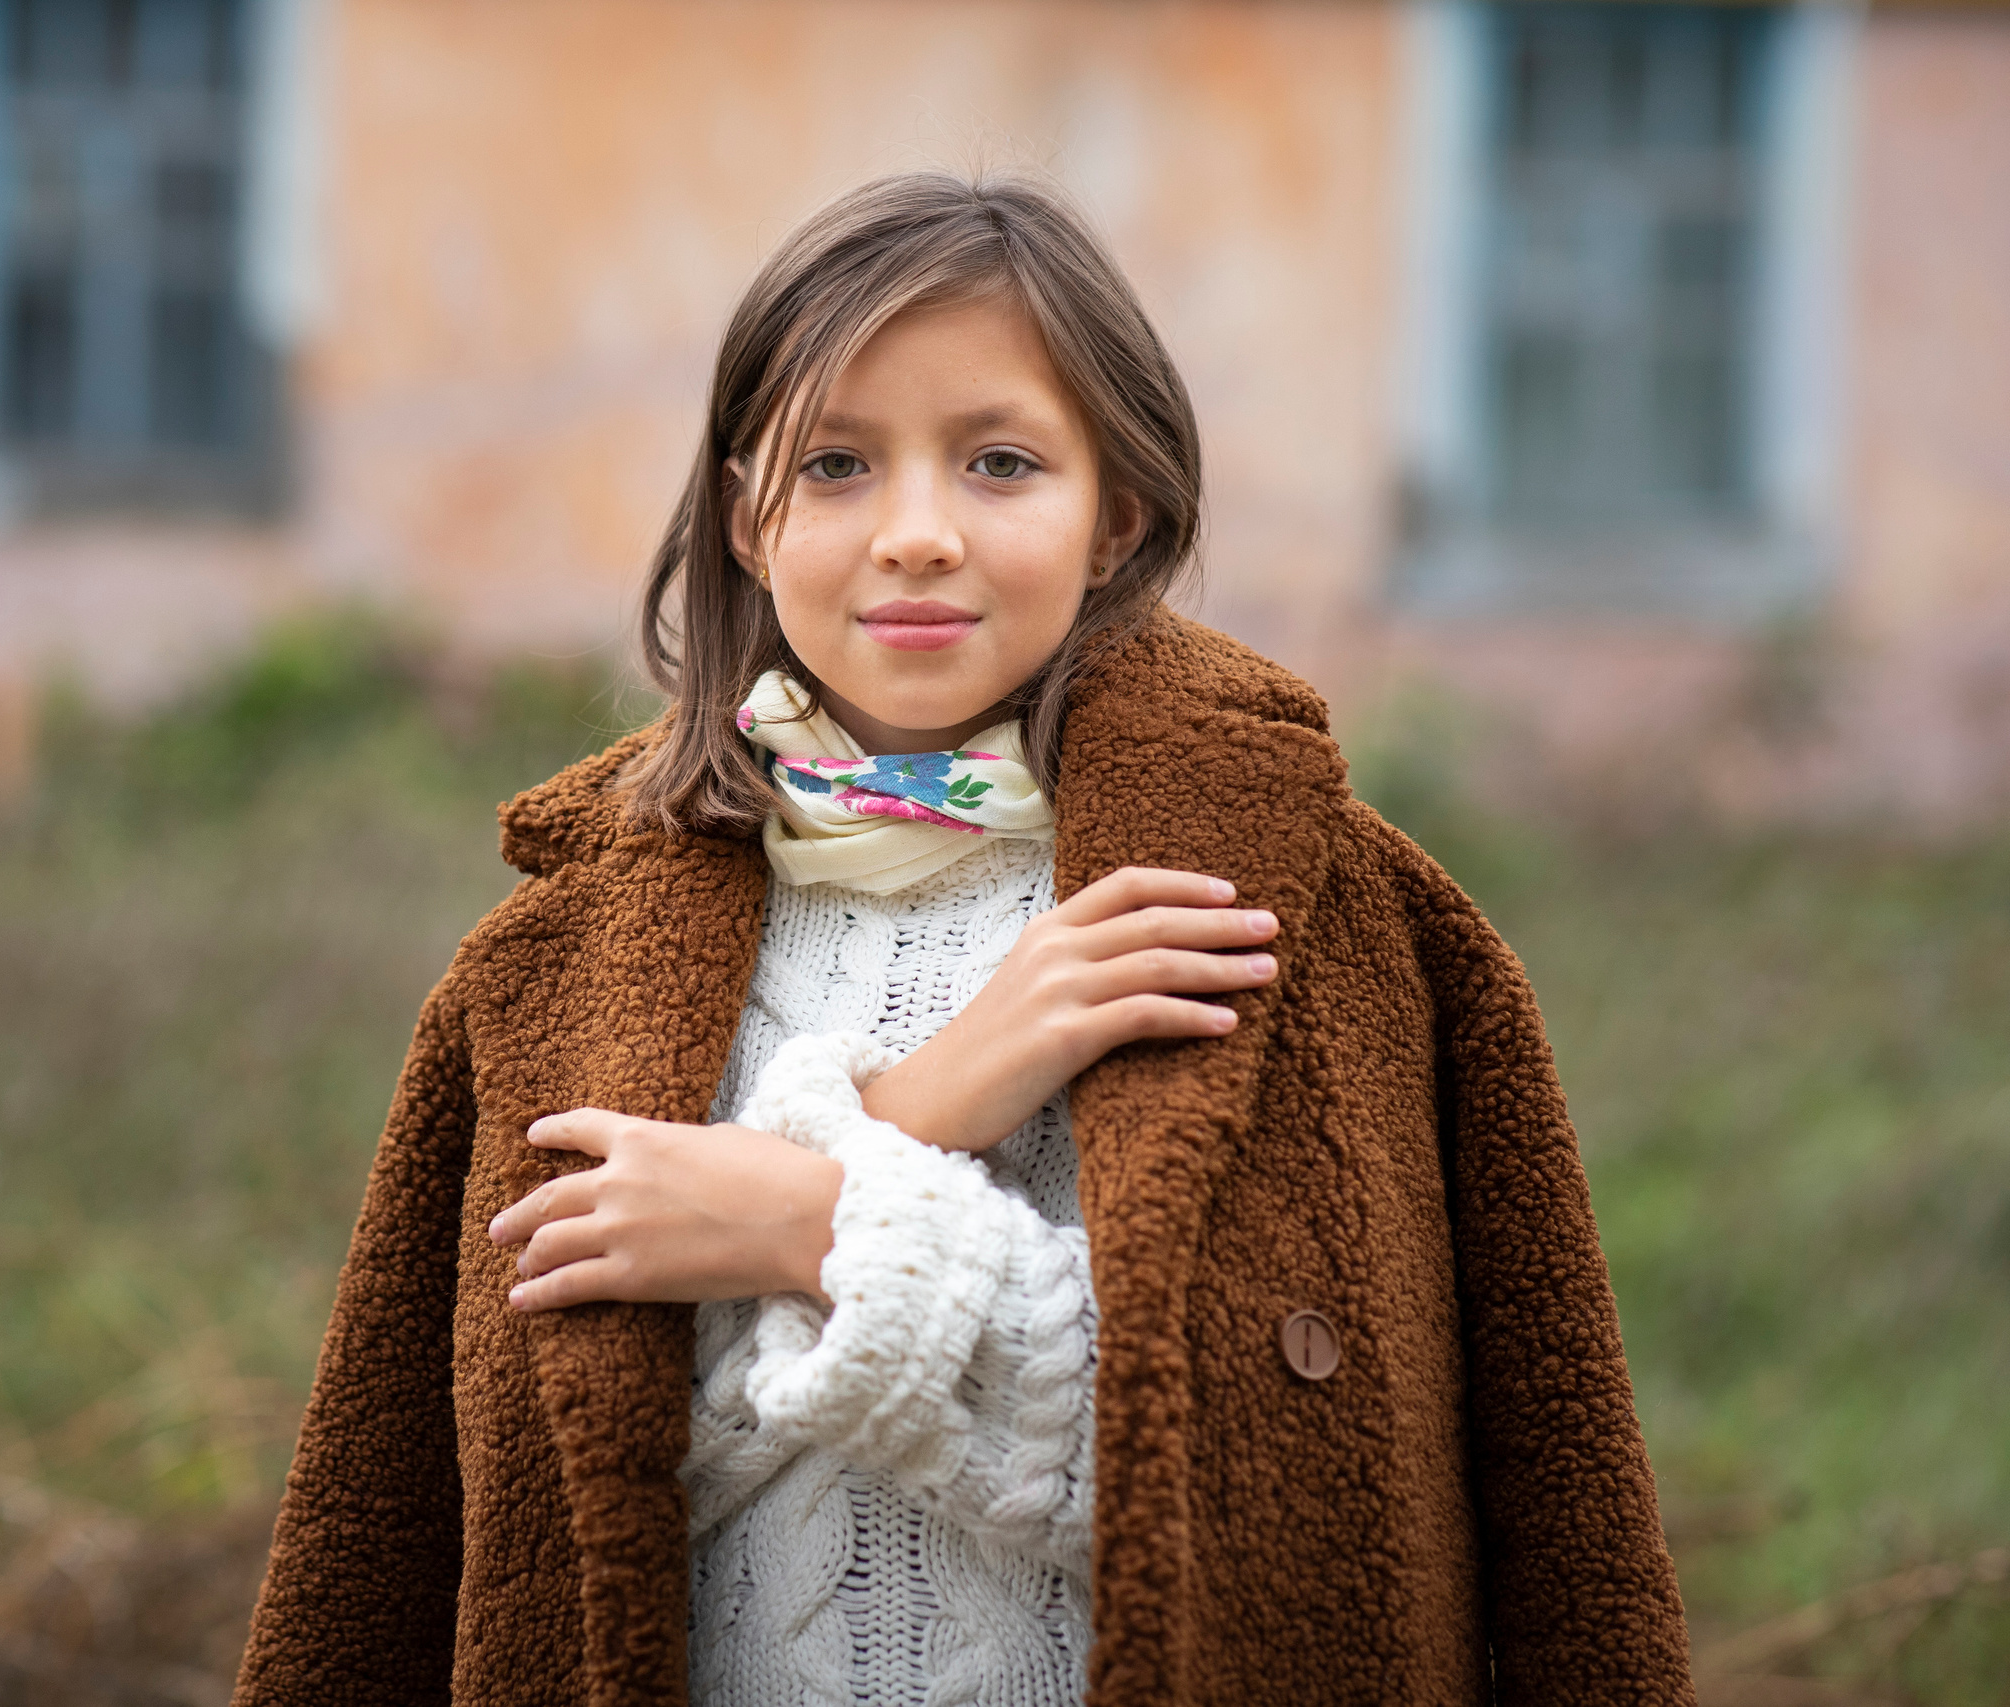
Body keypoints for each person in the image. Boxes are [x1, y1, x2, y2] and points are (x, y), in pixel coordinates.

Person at [232, 173, 1694, 1707]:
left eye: (1000, 462)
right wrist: (923, 1112)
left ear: (1115, 512)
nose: (918, 534)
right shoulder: (554, 964)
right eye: (841, 464)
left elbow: (1300, 1513)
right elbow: (518, 1521)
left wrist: (815, 1226)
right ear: (747, 517)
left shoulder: (1297, 915)